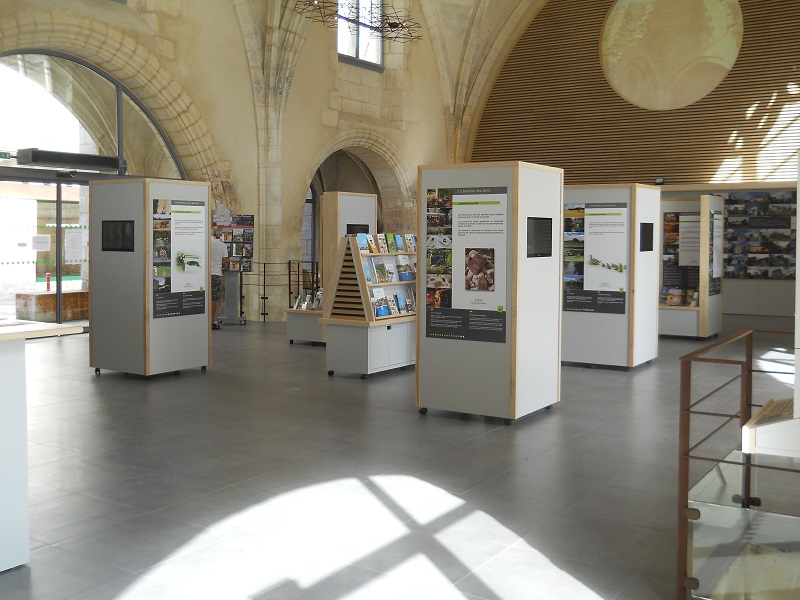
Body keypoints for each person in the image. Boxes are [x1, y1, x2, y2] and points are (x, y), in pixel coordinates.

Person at [210, 231, 229, 329]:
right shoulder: (222, 245)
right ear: (220, 236)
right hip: (215, 273)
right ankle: (211, 322)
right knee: (213, 299)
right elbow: (224, 262)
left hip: (205, 274)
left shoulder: (206, 243)